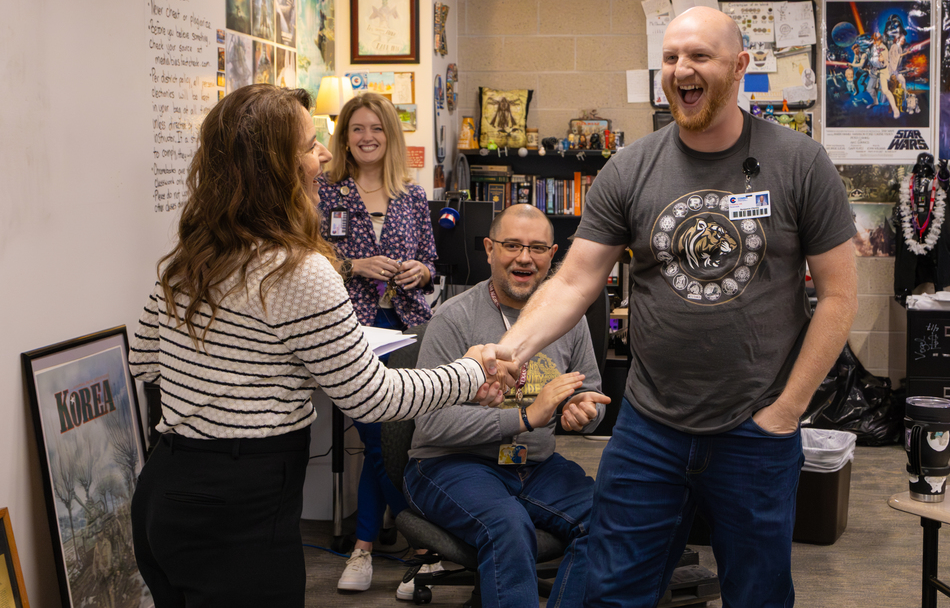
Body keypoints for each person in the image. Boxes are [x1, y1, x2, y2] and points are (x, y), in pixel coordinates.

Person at [482, 6, 858, 608]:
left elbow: (839, 296)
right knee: (613, 594)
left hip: (755, 428)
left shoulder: (799, 162)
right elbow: (576, 280)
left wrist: (788, 410)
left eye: (700, 57)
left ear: (740, 67)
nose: (682, 69)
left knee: (758, 596)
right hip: (650, 427)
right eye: (671, 57)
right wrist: (510, 351)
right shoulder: (631, 167)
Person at [129, 84, 512, 608]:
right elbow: (372, 399)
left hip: (164, 492)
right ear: (274, 167)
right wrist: (469, 371)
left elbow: (145, 361)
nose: (326, 155)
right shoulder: (299, 270)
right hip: (240, 506)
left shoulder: (189, 256)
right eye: (311, 145)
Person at [402, 203, 610, 606]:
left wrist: (583, 411)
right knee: (508, 524)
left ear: (553, 256)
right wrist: (526, 418)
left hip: (535, 466)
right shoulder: (453, 318)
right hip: (450, 463)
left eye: (536, 248)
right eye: (512, 245)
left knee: (609, 519)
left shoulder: (571, 318)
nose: (524, 258)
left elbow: (591, 393)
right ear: (489, 249)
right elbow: (430, 423)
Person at [317, 91, 440, 592]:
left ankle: (364, 551)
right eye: (357, 129)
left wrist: (420, 270)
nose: (367, 138)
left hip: (407, 329)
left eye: (376, 129)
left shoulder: (410, 195)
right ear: (344, 136)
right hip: (351, 330)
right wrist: (352, 266)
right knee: (377, 441)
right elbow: (304, 258)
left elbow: (433, 262)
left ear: (390, 135)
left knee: (395, 442)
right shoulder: (324, 193)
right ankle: (425, 545)